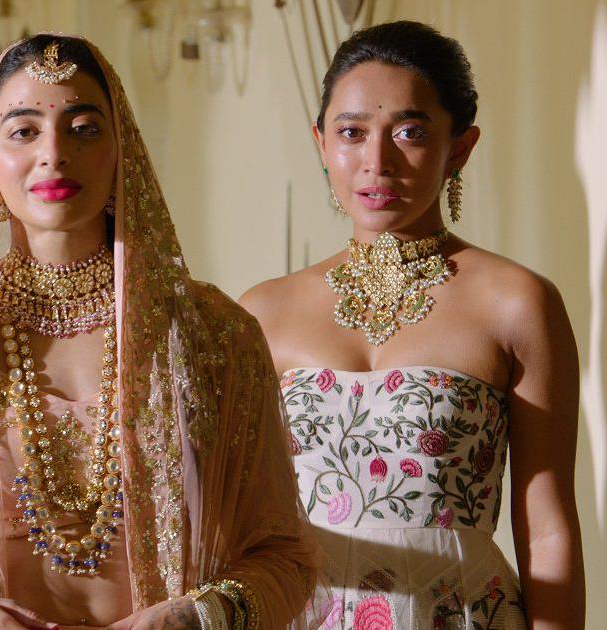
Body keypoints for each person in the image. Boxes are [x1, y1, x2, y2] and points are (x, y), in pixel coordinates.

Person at [0, 34, 317, 629]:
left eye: (83, 128)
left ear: (123, 148)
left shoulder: (212, 335)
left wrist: (197, 617)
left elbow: (284, 556)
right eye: (24, 131)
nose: (53, 153)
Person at [241, 20, 585, 629]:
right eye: (352, 132)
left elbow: (548, 526)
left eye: (410, 132)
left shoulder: (516, 303)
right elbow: (233, 522)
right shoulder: (263, 312)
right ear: (321, 143)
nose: (376, 162)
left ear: (460, 148)